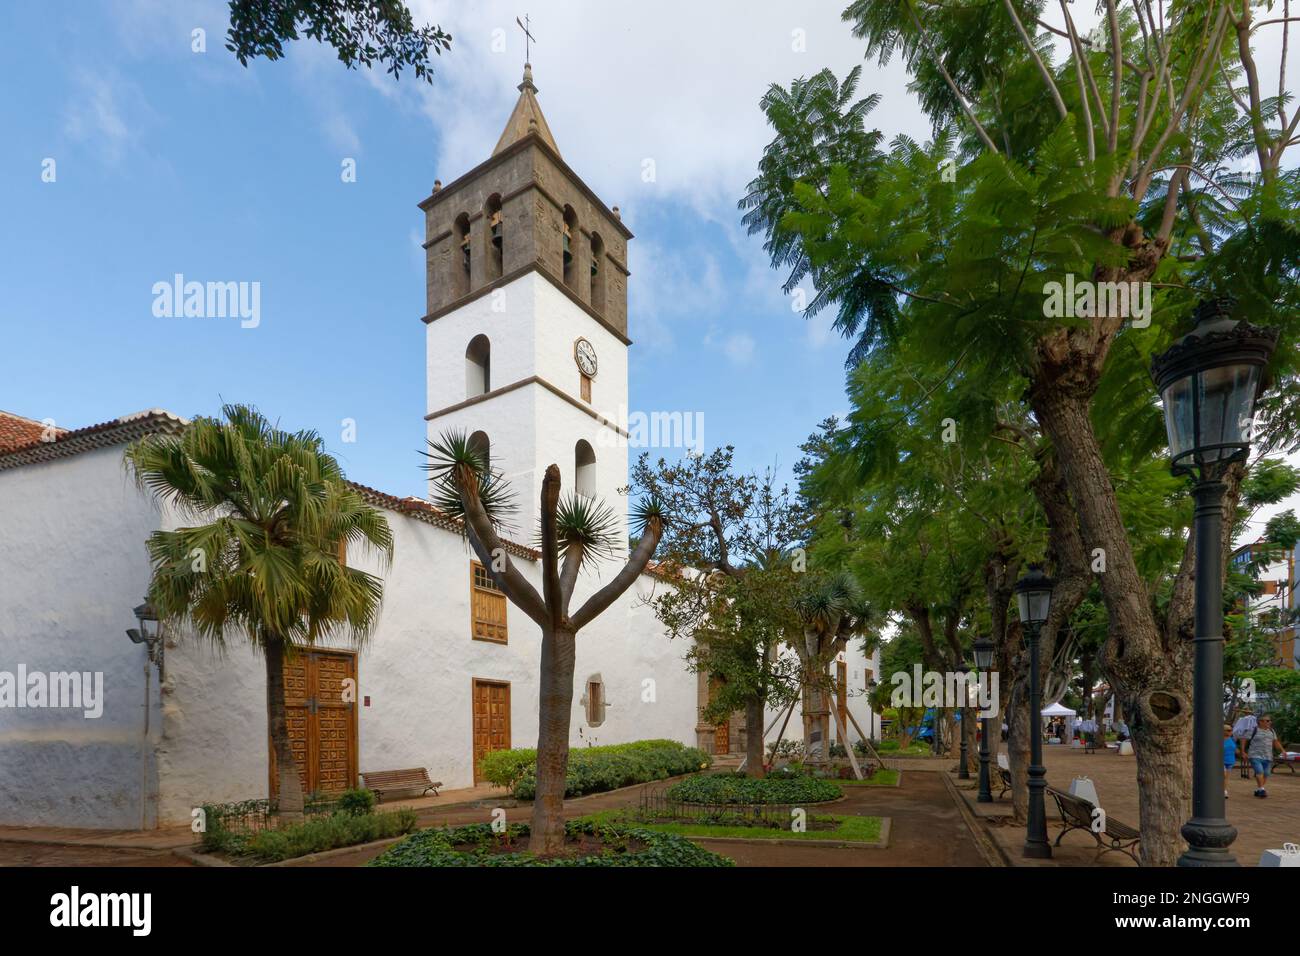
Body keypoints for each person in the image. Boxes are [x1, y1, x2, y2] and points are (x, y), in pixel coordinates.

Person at [1246, 714, 1286, 798]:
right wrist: (1243, 751)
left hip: (1268, 755)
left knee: (1266, 774)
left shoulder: (1271, 731)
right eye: (1266, 720)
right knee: (1259, 771)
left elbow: (1275, 742)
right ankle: (1262, 789)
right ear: (1260, 722)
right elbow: (1243, 739)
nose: (1269, 722)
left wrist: (1282, 750)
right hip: (1255, 755)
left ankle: (1259, 789)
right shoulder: (1254, 730)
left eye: (1269, 720)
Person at [1232, 709, 1257, 780]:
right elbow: (1237, 725)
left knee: (1243, 738)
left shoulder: (1251, 718)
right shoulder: (1243, 719)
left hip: (1248, 734)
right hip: (1245, 734)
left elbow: (1246, 726)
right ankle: (1243, 752)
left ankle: (1243, 752)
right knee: (1243, 738)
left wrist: (1240, 710)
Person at [1223, 724, 1236, 799]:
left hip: (1230, 761)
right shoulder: (1218, 739)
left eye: (1231, 730)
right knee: (1223, 775)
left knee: (1226, 777)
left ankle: (1224, 791)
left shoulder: (1232, 739)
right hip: (1221, 760)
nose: (1231, 731)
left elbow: (1234, 749)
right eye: (1228, 730)